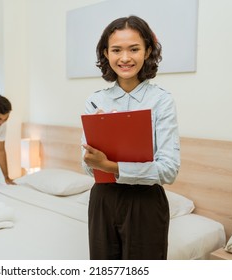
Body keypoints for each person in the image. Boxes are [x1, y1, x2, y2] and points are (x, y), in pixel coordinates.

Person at [81, 15, 180, 260]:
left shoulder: (162, 101)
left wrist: (111, 166)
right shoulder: (95, 101)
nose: (125, 58)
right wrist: (94, 160)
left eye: (134, 49)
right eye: (116, 50)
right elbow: (86, 166)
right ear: (106, 53)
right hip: (103, 199)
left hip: (145, 201)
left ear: (147, 51)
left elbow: (169, 170)